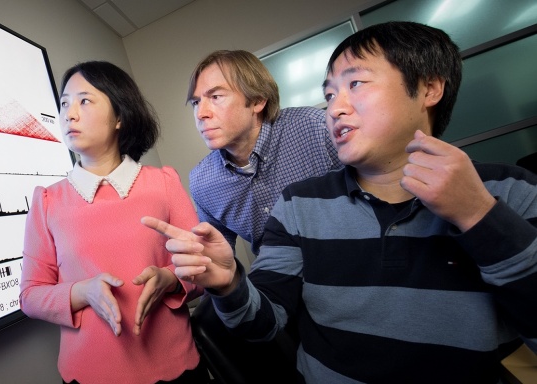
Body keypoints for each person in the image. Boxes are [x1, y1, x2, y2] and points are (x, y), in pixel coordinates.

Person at [144, 21, 537, 383]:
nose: (335, 107)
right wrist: (224, 282)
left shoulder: (511, 192)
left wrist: (479, 217)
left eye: (356, 85)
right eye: (329, 94)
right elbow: (232, 276)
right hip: (289, 297)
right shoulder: (279, 200)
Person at [19, 61, 208, 384]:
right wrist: (83, 292)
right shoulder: (47, 201)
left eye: (84, 101)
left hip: (177, 369)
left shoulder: (163, 183)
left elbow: (201, 270)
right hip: (88, 374)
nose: (70, 114)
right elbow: (31, 295)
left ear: (119, 116)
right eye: (65, 104)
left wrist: (170, 279)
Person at [187, 49, 342, 257]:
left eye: (215, 96)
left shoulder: (316, 128)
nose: (201, 113)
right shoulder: (203, 181)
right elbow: (216, 254)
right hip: (280, 283)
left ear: (258, 101)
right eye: (196, 102)